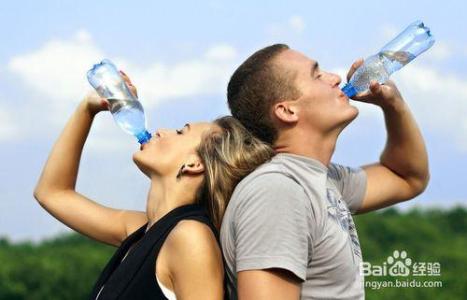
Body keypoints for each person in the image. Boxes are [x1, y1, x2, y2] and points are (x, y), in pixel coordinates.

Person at [33, 73, 274, 300]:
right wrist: (88, 108)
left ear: (194, 163)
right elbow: (51, 193)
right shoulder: (141, 230)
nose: (161, 131)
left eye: (180, 132)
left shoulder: (191, 238)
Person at [221, 44, 430, 299]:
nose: (336, 78)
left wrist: (393, 105)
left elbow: (408, 178)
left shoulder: (322, 179)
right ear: (287, 111)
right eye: (317, 75)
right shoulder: (278, 192)